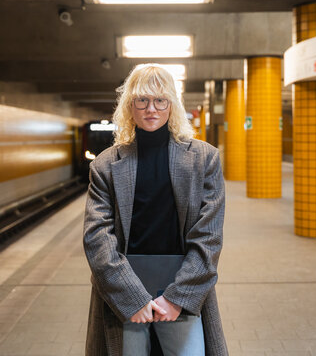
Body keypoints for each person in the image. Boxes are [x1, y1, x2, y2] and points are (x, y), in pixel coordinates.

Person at [83, 64, 228, 356]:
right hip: (124, 292)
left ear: (172, 105)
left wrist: (176, 298)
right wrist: (132, 297)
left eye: (160, 100)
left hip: (183, 288)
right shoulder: (105, 165)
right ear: (130, 106)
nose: (152, 108)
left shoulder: (204, 159)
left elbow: (208, 238)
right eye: (142, 100)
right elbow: (97, 238)